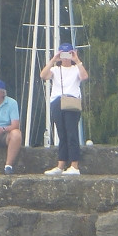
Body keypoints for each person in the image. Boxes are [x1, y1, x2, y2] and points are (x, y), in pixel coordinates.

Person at [40, 42, 89, 175]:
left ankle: (74, 165)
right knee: (62, 134)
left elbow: (84, 76)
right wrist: (53, 60)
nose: (66, 57)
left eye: (68, 54)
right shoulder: (55, 70)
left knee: (71, 133)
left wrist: (77, 60)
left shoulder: (76, 69)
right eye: (63, 54)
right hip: (57, 101)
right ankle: (61, 164)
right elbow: (43, 75)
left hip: (72, 101)